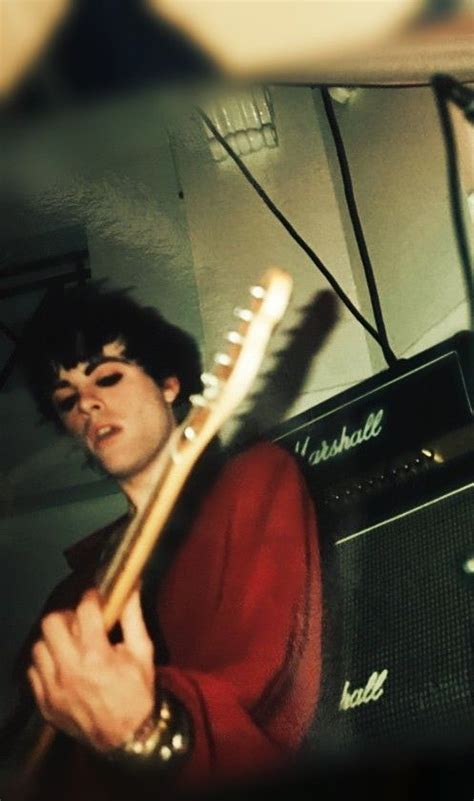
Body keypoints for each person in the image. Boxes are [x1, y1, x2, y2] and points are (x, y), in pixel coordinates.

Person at [7, 281, 322, 800]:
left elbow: (270, 688)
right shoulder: (68, 599)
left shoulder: (252, 482)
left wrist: (149, 730)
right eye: (66, 400)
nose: (85, 404)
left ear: (170, 386)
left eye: (106, 377)